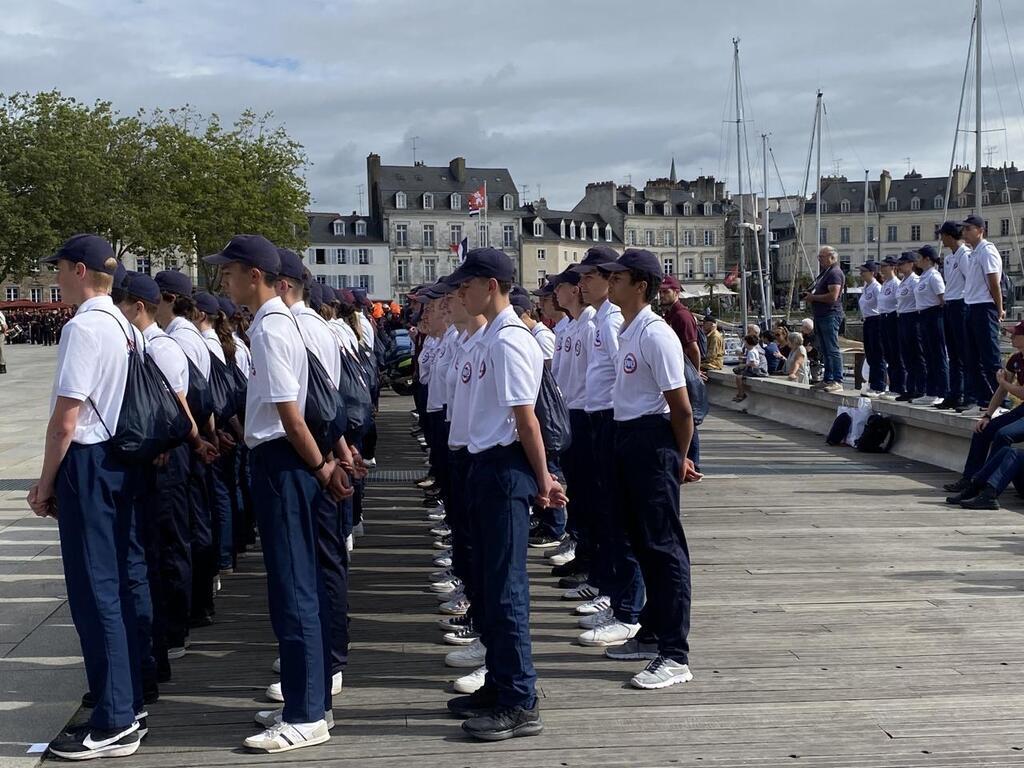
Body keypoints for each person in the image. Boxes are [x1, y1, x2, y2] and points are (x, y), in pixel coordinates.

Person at [206, 234, 347, 753]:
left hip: (283, 462)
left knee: (294, 589)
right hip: (289, 461)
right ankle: (306, 699)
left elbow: (289, 412)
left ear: (254, 275)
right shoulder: (281, 322)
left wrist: (318, 466)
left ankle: (306, 712)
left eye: (230, 271)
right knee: (298, 583)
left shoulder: (268, 327)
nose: (224, 279)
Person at [28, 235, 145, 760]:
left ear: (80, 271)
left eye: (59, 268)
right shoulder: (123, 324)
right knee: (113, 587)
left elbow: (66, 419)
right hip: (118, 462)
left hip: (89, 463)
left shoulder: (84, 326)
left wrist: (46, 481)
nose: (55, 276)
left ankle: (115, 716)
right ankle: (124, 704)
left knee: (94, 593)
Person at [444, 247, 566, 741]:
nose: (460, 293)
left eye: (466, 286)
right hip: (483, 464)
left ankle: (519, 697)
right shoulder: (491, 337)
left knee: (507, 587)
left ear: (490, 285)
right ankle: (499, 684)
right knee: (492, 587)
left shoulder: (510, 339)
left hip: (504, 468)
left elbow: (526, 418)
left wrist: (544, 481)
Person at [603, 247, 700, 689]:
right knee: (641, 542)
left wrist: (677, 457)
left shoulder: (655, 334)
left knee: (663, 548)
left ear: (640, 284)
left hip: (651, 440)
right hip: (626, 437)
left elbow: (680, 408)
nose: (610, 282)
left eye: (618, 277)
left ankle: (675, 653)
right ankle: (652, 630)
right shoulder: (629, 329)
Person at [574, 246, 645, 649]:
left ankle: (628, 608)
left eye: (590, 277)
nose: (583, 284)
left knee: (618, 518)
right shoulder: (602, 319)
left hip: (611, 419)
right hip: (596, 415)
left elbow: (624, 376)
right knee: (603, 512)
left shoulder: (612, 320)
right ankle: (616, 595)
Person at [944, 321, 1024, 494]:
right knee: (984, 429)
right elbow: (1002, 390)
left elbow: (1018, 391)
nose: (1011, 336)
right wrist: (988, 415)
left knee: (1004, 434)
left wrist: (1002, 382)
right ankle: (969, 478)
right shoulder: (1016, 359)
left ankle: (987, 482)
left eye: (1016, 334)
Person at [960, 213, 1004, 417]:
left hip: (984, 307)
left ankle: (999, 401)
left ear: (980, 230)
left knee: (990, 357)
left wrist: (999, 308)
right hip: (971, 305)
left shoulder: (987, 251)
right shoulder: (974, 253)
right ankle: (984, 399)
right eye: (964, 229)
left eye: (969, 229)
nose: (965, 233)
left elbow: (994, 282)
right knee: (972, 357)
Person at [802, 246, 845, 393]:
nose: (819, 259)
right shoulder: (826, 273)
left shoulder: (834, 273)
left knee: (832, 348)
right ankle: (828, 379)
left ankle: (837, 380)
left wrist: (812, 297)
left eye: (822, 256)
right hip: (821, 315)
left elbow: (833, 296)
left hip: (830, 314)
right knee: (825, 349)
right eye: (819, 256)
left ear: (832, 257)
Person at [938, 221, 969, 410]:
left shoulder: (965, 255)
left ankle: (965, 393)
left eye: (942, 235)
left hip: (961, 303)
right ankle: (954, 392)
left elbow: (970, 280)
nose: (940, 238)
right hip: (950, 303)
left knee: (963, 352)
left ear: (949, 235)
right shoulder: (950, 258)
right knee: (954, 354)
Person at [913, 245, 948, 406]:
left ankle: (942, 391)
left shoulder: (934, 276)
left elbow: (942, 299)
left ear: (927, 259)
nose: (917, 261)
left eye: (919, 257)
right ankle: (931, 390)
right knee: (928, 355)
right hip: (923, 316)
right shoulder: (924, 276)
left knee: (938, 355)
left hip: (934, 315)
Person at [894, 252, 925, 403]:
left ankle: (920, 388)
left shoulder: (915, 280)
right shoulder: (903, 281)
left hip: (913, 317)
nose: (899, 266)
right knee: (906, 355)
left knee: (917, 355)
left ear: (911, 264)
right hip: (902, 317)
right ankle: (910, 387)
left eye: (903, 263)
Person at [875, 256, 906, 401]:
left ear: (893, 267)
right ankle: (893, 385)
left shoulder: (896, 283)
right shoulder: (885, 284)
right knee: (888, 354)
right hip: (883, 318)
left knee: (896, 354)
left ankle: (899, 387)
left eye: (884, 266)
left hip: (892, 318)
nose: (882, 269)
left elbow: (897, 302)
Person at [857, 261, 887, 396]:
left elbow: (881, 306)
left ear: (872, 272)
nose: (861, 274)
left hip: (876, 320)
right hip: (867, 320)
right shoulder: (866, 287)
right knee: (870, 354)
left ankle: (879, 385)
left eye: (864, 271)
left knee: (877, 354)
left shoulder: (876, 287)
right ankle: (872, 382)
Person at [732, 333, 767, 402]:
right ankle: (741, 393)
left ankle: (741, 394)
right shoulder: (754, 350)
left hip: (753, 370)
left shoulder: (751, 352)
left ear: (748, 343)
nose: (744, 344)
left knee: (738, 377)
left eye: (745, 342)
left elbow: (753, 363)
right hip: (754, 369)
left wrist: (744, 365)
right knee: (737, 371)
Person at [0, 306, 7, 373]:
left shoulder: (0, 314)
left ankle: (2, 365)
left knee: (0, 349)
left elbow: (4, 325)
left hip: (0, 333)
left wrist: (4, 331)